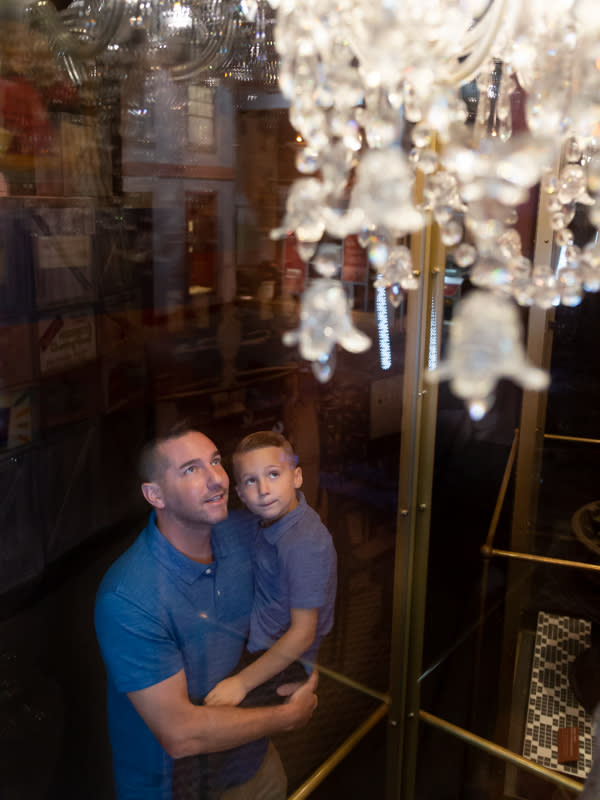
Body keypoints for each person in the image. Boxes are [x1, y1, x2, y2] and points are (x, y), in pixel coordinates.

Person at [94, 423, 318, 800]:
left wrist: (297, 669)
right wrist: (287, 716)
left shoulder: (243, 535)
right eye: (191, 469)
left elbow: (306, 558)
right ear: (155, 495)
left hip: (251, 762)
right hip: (173, 787)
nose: (217, 479)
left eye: (215, 461)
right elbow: (180, 735)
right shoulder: (128, 597)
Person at [205, 431, 337, 709]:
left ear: (297, 477)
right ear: (240, 493)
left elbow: (303, 633)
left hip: (286, 660)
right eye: (251, 481)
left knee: (213, 715)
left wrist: (241, 683)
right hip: (261, 642)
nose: (263, 489)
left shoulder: (304, 543)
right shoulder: (270, 520)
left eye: (274, 474)